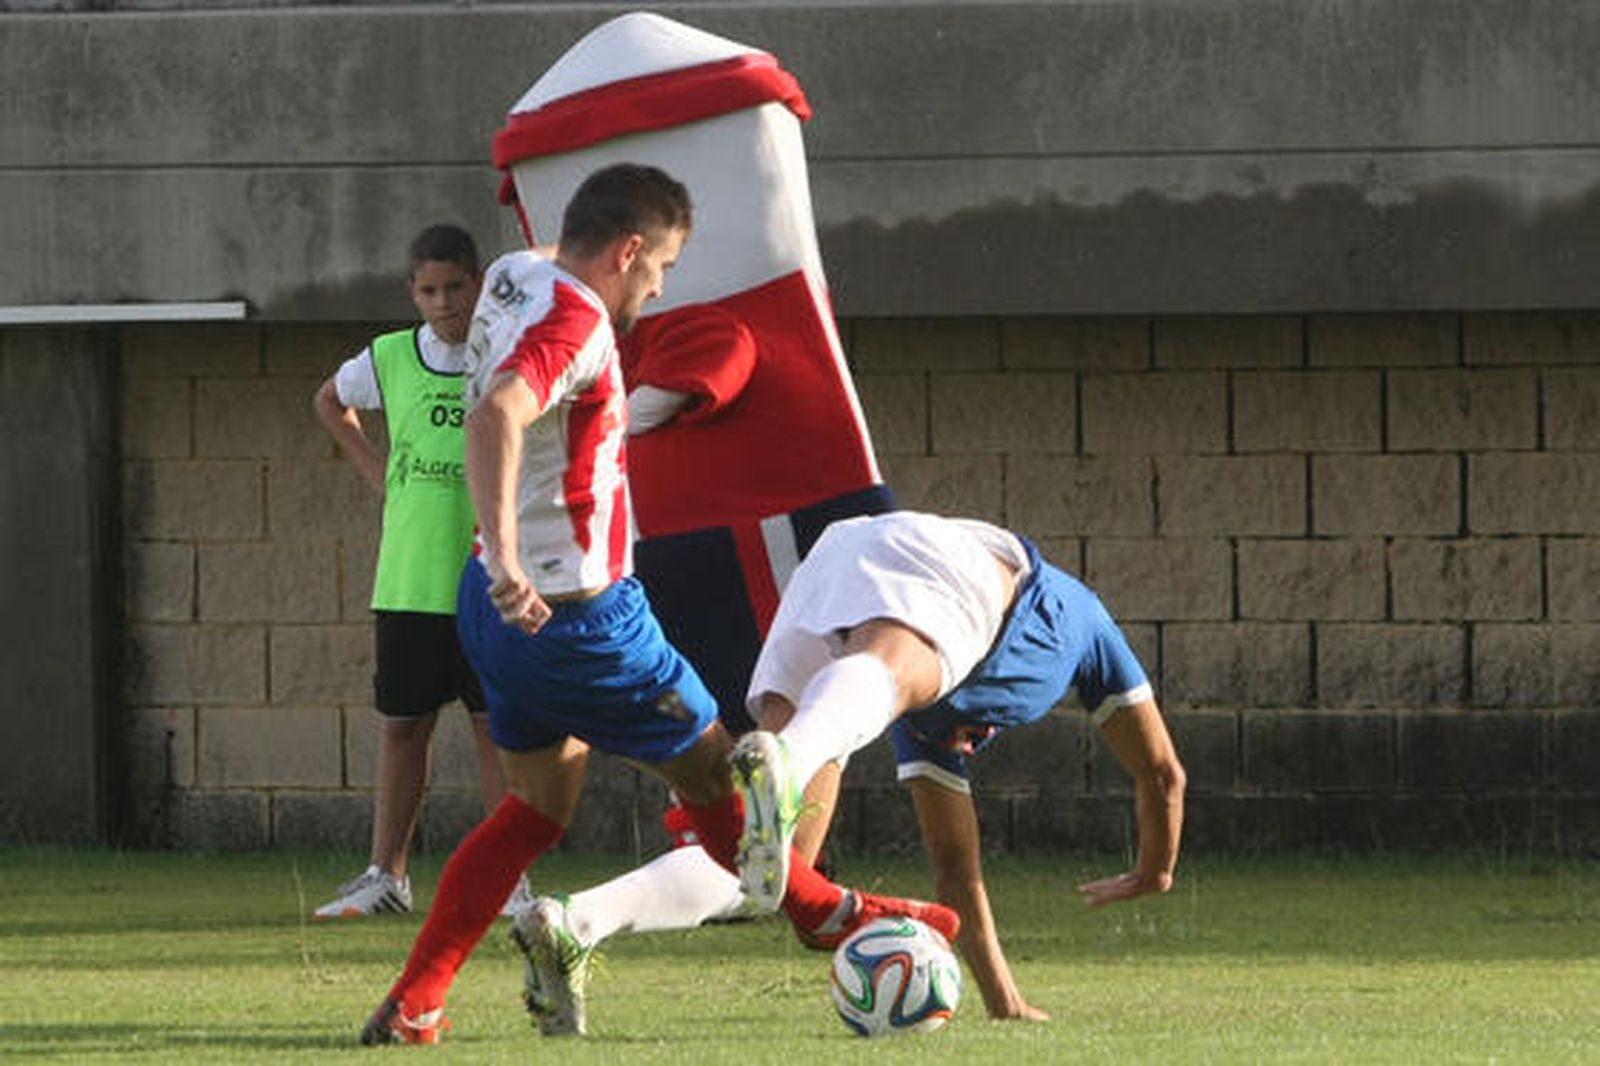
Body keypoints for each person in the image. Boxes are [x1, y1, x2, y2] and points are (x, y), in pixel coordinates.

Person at [358, 164, 958, 1046]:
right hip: (580, 616)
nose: (658, 287)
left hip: (499, 619)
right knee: (728, 784)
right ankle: (828, 913)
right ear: (629, 250)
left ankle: (416, 1001)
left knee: (532, 812)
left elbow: (561, 250)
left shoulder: (516, 277)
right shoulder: (575, 320)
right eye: (661, 267)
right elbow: (496, 416)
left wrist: (497, 566)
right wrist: (513, 561)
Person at [525, 509, 1186, 1024]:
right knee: (884, 679)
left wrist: (1003, 999)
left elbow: (956, 867)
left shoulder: (922, 728)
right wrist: (1154, 870)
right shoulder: (1080, 622)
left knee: (774, 869)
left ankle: (575, 921)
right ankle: (785, 758)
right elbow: (1161, 772)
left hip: (834, 562)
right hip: (955, 565)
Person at [310, 224, 530, 920]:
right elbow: (329, 401)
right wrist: (375, 469)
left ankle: (512, 882)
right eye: (428, 291)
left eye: (455, 288)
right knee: (403, 727)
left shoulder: (509, 356)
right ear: (413, 293)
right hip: (408, 578)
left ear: (479, 284)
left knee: (497, 730)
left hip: (489, 574)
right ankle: (387, 877)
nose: (443, 303)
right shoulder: (390, 358)